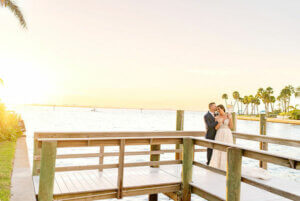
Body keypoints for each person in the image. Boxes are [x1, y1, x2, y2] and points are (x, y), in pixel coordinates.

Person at [209, 104, 271, 180]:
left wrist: (230, 118)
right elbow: (216, 128)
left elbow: (231, 127)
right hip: (219, 134)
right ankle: (218, 165)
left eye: (219, 109)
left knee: (227, 149)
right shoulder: (217, 117)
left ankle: (227, 165)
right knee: (219, 149)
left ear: (223, 109)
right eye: (217, 110)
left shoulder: (228, 115)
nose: (218, 111)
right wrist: (220, 122)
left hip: (227, 134)